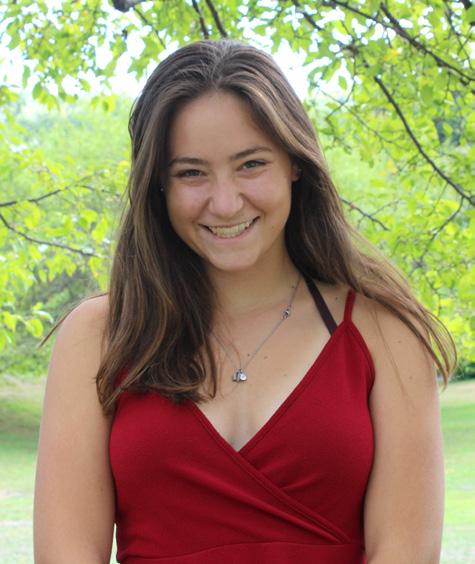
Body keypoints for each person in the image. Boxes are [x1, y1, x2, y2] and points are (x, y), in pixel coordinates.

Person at [33, 39, 456, 563]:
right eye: (191, 172)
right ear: (157, 184)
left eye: (251, 164)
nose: (226, 202)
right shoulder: (99, 336)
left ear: (295, 163)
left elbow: (406, 553)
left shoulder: (383, 329)